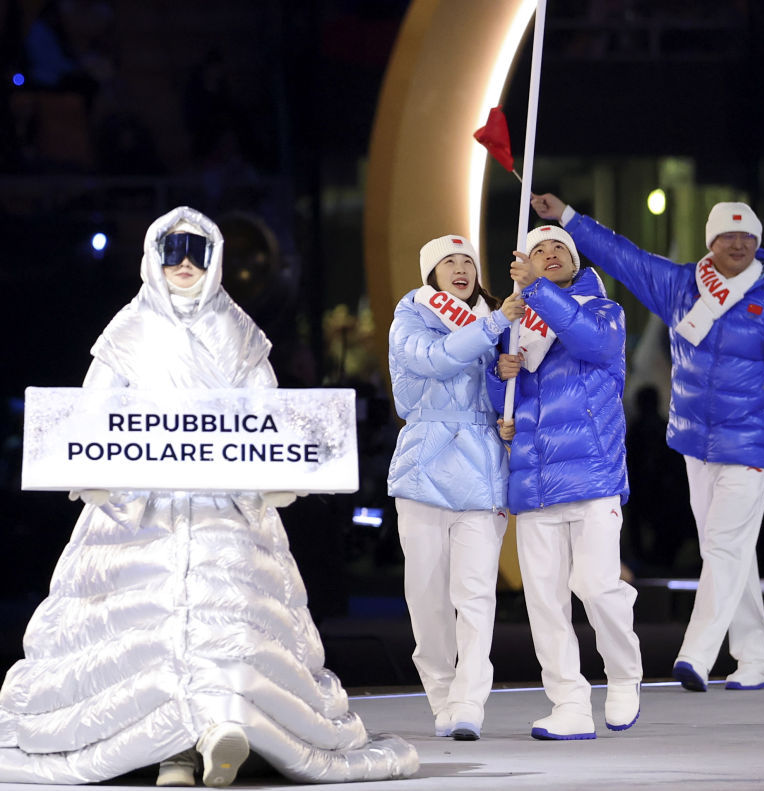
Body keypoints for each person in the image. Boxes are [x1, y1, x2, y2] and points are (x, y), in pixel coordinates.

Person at [0, 207, 417, 785]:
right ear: (154, 258)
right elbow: (94, 413)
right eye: (173, 251)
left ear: (215, 257)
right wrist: (88, 466)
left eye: (197, 251)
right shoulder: (129, 330)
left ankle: (218, 729)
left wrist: (279, 469)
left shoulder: (237, 330)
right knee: (145, 631)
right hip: (141, 508)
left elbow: (265, 413)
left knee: (228, 618)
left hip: (223, 504)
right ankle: (169, 750)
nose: (185, 264)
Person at [528, 193, 764, 692]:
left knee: (724, 546)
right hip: (697, 443)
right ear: (710, 242)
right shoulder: (680, 287)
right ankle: (757, 658)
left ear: (758, 242)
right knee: (729, 550)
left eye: (746, 236)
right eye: (727, 236)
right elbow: (622, 256)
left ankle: (696, 654)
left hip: (752, 443)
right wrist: (567, 218)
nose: (737, 244)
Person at [489, 224, 642, 741]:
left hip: (592, 475)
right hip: (534, 482)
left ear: (575, 263)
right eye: (538, 250)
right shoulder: (518, 326)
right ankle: (569, 703)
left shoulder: (603, 311)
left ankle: (623, 673)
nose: (550, 253)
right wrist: (499, 377)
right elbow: (504, 404)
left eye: (559, 248)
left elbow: (591, 342)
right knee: (545, 602)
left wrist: (535, 288)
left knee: (597, 586)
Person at [387, 233, 523, 741]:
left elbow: (508, 387)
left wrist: (509, 387)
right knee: (426, 597)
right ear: (432, 273)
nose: (461, 268)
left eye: (468, 260)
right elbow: (434, 359)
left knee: (476, 595)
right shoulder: (411, 315)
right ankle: (442, 695)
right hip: (423, 467)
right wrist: (494, 325)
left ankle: (468, 702)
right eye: (449, 261)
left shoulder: (500, 318)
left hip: (483, 468)